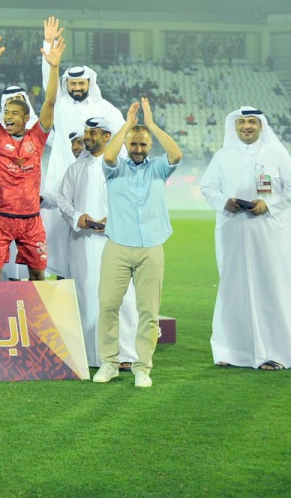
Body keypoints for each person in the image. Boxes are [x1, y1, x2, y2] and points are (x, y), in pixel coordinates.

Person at [201, 107, 291, 370]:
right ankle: (231, 351)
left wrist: (268, 204)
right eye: (242, 122)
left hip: (268, 234)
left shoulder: (277, 154)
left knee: (272, 290)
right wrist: (226, 202)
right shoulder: (223, 156)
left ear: (261, 126)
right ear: (235, 127)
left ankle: (277, 354)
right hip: (232, 232)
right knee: (232, 290)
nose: (247, 126)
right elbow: (208, 187)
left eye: (252, 122)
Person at [94, 98, 182, 388]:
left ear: (149, 147)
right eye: (134, 144)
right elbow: (108, 156)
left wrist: (151, 125)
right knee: (108, 305)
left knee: (149, 312)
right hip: (118, 246)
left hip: (151, 248)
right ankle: (109, 362)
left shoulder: (158, 169)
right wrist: (128, 126)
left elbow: (177, 154)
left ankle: (143, 367)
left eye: (143, 145)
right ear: (126, 145)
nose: (138, 149)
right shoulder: (114, 168)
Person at [40, 17, 125, 280]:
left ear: (89, 83)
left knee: (93, 234)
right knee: (58, 236)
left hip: (95, 180)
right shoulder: (61, 105)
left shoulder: (106, 109)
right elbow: (49, 84)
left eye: (81, 84)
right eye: (73, 84)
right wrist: (49, 44)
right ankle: (63, 286)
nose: (77, 88)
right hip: (62, 177)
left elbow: (121, 140)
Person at [54, 117, 139, 369]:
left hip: (115, 241)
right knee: (85, 294)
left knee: (122, 297)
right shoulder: (75, 169)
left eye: (93, 132)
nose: (87, 137)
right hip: (81, 242)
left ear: (107, 137)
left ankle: (124, 355)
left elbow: (133, 202)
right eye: (86, 132)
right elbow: (62, 200)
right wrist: (78, 217)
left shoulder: (122, 168)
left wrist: (112, 220)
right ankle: (91, 355)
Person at [0, 31, 64, 281]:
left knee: (38, 276)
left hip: (31, 221)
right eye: (6, 112)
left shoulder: (36, 137)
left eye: (13, 113)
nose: (7, 117)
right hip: (0, 219)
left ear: (26, 117)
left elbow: (49, 102)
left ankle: (37, 319)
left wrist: (54, 67)